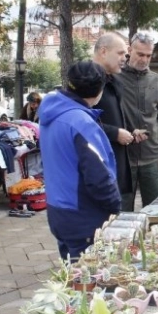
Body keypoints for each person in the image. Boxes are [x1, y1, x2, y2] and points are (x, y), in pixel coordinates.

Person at [39, 61, 120, 261]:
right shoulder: (81, 123)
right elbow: (98, 177)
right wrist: (115, 207)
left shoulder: (51, 113)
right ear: (100, 90)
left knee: (72, 270)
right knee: (87, 278)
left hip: (58, 208)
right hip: (83, 214)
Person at [118, 33, 158, 211]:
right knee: (123, 212)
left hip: (151, 155)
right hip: (125, 157)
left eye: (148, 55)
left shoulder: (157, 81)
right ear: (130, 50)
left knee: (155, 211)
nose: (145, 59)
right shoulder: (115, 78)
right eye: (140, 54)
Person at [92, 33, 134, 210]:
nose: (125, 58)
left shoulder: (113, 80)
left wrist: (130, 130)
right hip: (99, 171)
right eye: (120, 53)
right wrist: (115, 133)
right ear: (103, 51)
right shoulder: (88, 81)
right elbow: (80, 123)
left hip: (117, 167)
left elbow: (113, 114)